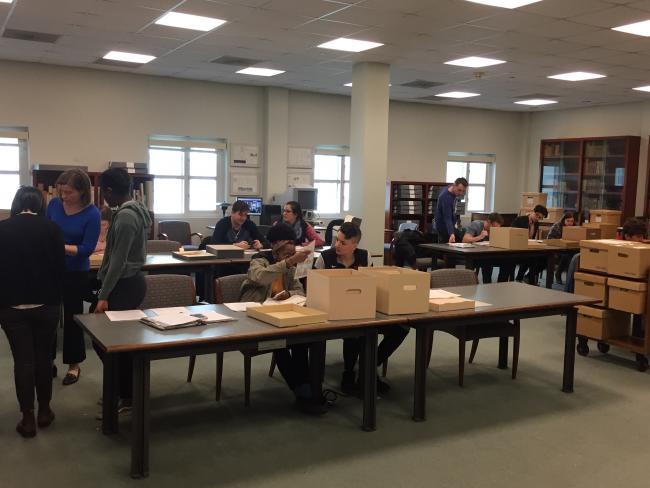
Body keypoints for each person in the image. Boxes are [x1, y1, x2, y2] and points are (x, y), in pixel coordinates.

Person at [239, 224, 327, 414]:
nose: (288, 258)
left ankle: (308, 387)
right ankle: (303, 391)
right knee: (280, 344)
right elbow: (259, 277)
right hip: (257, 318)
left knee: (302, 341)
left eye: (290, 253)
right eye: (285, 253)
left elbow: (298, 289)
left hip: (283, 315)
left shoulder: (287, 264)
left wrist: (289, 293)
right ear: (275, 246)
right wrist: (287, 263)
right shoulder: (259, 260)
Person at [0, 187, 65, 437]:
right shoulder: (52, 229)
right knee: (43, 359)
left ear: (17, 203)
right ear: (41, 205)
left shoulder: (2, 229)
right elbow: (61, 269)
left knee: (23, 361)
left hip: (11, 307)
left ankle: (27, 418)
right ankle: (45, 411)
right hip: (46, 305)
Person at [315, 222, 408, 395]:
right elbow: (313, 290)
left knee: (401, 329)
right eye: (337, 240)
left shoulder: (365, 257)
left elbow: (372, 285)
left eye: (343, 243)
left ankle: (369, 367)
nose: (337, 245)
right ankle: (348, 373)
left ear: (354, 245)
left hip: (362, 309)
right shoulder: (325, 258)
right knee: (356, 331)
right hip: (332, 313)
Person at [93, 167, 151, 415]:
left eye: (104, 193)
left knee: (110, 342)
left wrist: (104, 295)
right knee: (114, 342)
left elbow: (117, 260)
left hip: (125, 284)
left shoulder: (127, 217)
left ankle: (127, 394)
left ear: (109, 190)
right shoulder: (129, 211)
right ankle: (123, 391)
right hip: (126, 282)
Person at [47, 168, 100, 385]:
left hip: (75, 272)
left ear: (82, 192)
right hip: (50, 270)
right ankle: (47, 361)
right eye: (61, 192)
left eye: (68, 192)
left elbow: (87, 248)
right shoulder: (53, 205)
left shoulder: (92, 214)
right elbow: (45, 229)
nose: (63, 196)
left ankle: (74, 365)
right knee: (49, 318)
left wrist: (61, 246)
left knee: (72, 319)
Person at [461, 212, 504, 283]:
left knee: (507, 262)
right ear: (489, 222)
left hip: (488, 254)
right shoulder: (476, 224)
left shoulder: (495, 229)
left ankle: (502, 285)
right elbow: (465, 239)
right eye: (494, 227)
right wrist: (480, 237)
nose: (495, 230)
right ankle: (487, 283)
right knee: (487, 262)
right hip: (474, 255)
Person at [511, 204, 548, 283]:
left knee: (544, 259)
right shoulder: (520, 220)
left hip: (528, 247)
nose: (538, 219)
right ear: (533, 212)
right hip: (517, 247)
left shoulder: (536, 224)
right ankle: (525, 279)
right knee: (531, 258)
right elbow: (511, 234)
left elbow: (532, 238)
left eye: (540, 218)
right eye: (537, 216)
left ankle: (527, 277)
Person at [434, 177, 468, 244]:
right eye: (459, 190)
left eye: (464, 191)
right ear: (454, 185)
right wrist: (451, 233)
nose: (461, 193)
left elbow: (458, 208)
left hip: (452, 224)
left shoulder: (457, 193)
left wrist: (458, 223)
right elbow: (447, 218)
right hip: (443, 225)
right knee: (445, 247)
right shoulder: (445, 197)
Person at [547, 211, 576, 284]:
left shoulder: (575, 227)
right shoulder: (557, 226)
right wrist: (560, 241)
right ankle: (559, 274)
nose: (570, 223)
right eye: (568, 221)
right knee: (566, 257)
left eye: (572, 221)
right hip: (556, 249)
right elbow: (550, 238)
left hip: (569, 249)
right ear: (563, 220)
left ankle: (571, 280)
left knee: (573, 256)